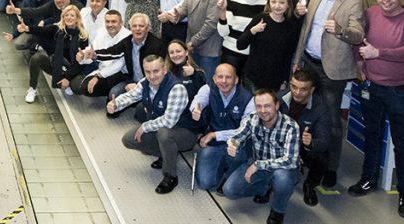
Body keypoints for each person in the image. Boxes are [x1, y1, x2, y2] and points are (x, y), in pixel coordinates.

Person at [291, 0, 365, 187]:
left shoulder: (353, 2)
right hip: (308, 63)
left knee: (331, 121)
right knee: (305, 111)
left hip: (331, 70)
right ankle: (306, 155)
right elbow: (305, 30)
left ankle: (331, 167)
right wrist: (297, 60)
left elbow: (358, 35)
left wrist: (341, 31)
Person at [348, 0, 404, 218]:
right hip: (372, 87)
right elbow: (358, 38)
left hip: (400, 91)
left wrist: (379, 53)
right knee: (372, 135)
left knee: (402, 143)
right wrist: (358, 61)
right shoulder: (370, 13)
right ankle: (369, 179)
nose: (386, 1)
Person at [107, 54, 198, 194]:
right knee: (129, 140)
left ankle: (171, 176)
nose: (152, 76)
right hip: (161, 127)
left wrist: (145, 126)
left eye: (156, 71)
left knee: (164, 134)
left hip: (185, 132)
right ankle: (167, 153)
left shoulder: (176, 88)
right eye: (148, 72)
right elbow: (131, 96)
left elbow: (169, 121)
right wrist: (116, 104)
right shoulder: (145, 82)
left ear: (164, 69)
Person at [222, 89, 300, 224]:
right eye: (259, 106)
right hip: (257, 163)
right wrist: (233, 143)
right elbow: (238, 136)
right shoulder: (252, 118)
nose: (263, 110)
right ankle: (266, 187)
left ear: (276, 105)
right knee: (229, 191)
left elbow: (290, 161)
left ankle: (278, 210)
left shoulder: (291, 126)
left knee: (282, 180)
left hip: (282, 169)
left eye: (267, 106)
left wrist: (258, 165)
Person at [191, 63, 255, 192]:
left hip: (237, 145)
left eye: (228, 77)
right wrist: (196, 108)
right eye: (220, 77)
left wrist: (214, 135)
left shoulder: (249, 99)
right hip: (214, 145)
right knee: (205, 183)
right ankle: (221, 166)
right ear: (214, 79)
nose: (224, 81)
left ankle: (230, 172)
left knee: (236, 157)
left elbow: (245, 130)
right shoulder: (208, 89)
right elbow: (199, 101)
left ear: (236, 80)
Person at [160, 0, 225, 78]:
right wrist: (176, 15)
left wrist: (192, 42)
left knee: (206, 85)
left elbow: (211, 23)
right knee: (193, 83)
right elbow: (186, 5)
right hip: (192, 45)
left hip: (208, 50)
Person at [12, 4, 88, 103]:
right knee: (37, 58)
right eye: (66, 15)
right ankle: (32, 89)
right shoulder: (57, 29)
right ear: (63, 17)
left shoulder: (83, 37)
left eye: (72, 15)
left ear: (77, 18)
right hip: (58, 65)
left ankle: (68, 83)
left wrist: (67, 78)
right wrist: (27, 28)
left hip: (73, 68)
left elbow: (81, 63)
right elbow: (42, 31)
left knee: (77, 88)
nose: (69, 18)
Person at [280, 69, 331, 206]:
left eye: (303, 89)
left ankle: (310, 185)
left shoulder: (321, 109)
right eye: (294, 87)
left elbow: (324, 141)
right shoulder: (279, 99)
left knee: (322, 157)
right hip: (281, 143)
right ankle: (269, 184)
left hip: (305, 147)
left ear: (312, 90)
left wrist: (311, 143)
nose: (297, 92)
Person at [238, 0, 302, 92]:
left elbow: (288, 56)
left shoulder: (291, 27)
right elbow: (240, 45)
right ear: (269, 3)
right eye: (273, 2)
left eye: (281, 2)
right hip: (252, 78)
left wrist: (284, 80)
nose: (277, 6)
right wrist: (253, 30)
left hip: (274, 82)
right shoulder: (260, 18)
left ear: (288, 5)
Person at [72, 10, 131, 97]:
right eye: (107, 21)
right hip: (101, 68)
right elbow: (93, 49)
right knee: (83, 88)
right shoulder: (101, 32)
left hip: (120, 73)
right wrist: (83, 56)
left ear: (121, 23)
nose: (110, 25)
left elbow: (119, 64)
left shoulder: (128, 36)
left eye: (114, 21)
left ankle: (115, 91)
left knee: (112, 93)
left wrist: (99, 76)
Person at [218, 0, 266, 73]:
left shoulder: (266, 6)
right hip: (231, 53)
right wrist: (222, 13)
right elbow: (223, 33)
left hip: (253, 56)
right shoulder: (232, 1)